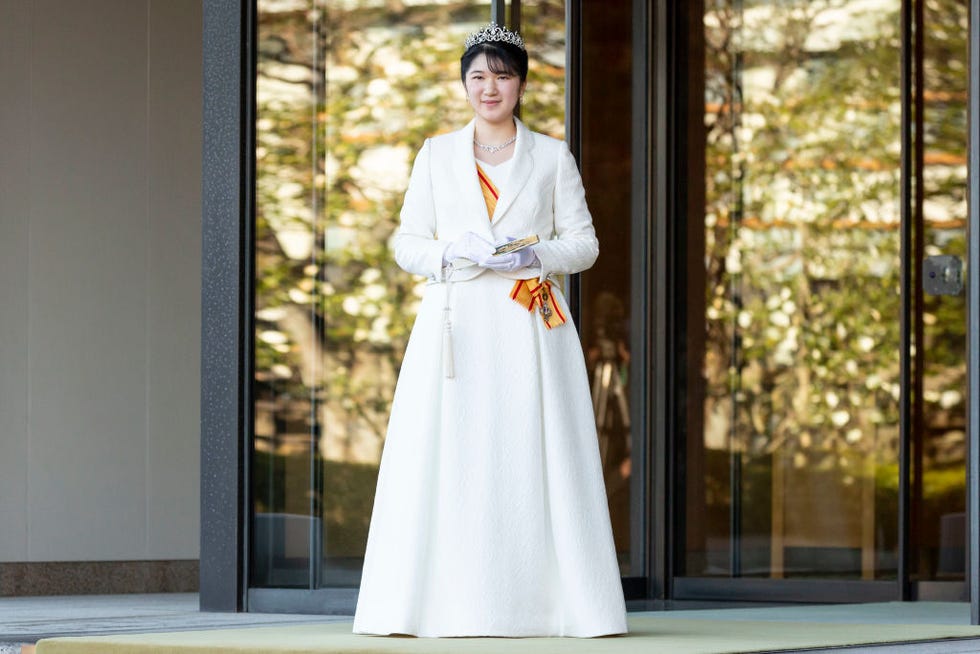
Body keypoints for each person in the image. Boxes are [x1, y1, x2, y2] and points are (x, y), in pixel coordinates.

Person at [352, 22, 628, 638]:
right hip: (455, 327)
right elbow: (406, 243)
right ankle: (437, 606)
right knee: (451, 455)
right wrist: (453, 254)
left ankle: (547, 607)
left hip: (531, 325)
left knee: (530, 455)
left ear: (521, 84)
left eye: (502, 75)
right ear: (464, 85)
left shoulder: (551, 156)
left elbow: (584, 244)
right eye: (478, 76)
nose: (489, 87)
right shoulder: (435, 154)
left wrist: (533, 257)